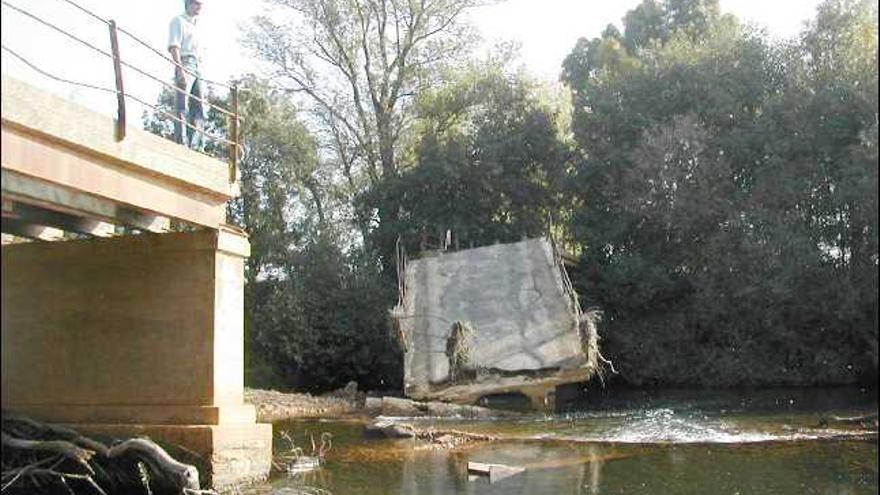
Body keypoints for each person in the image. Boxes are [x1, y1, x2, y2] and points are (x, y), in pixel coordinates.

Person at [167, 0, 206, 151]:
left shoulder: (197, 25)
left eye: (201, 4)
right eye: (196, 3)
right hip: (186, 62)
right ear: (188, 4)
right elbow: (174, 46)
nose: (199, 7)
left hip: (198, 65)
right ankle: (181, 141)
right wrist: (180, 69)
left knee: (199, 107)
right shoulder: (178, 21)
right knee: (182, 103)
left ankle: (197, 145)